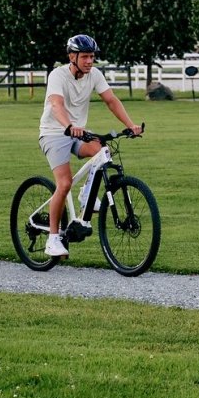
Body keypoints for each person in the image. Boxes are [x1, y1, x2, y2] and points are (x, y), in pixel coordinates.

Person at [39, 33, 142, 259]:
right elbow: (56, 105)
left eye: (92, 57)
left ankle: (86, 194)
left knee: (102, 152)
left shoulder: (94, 74)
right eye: (85, 56)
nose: (89, 61)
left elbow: (111, 100)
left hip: (79, 133)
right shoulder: (58, 75)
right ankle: (53, 239)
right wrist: (69, 125)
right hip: (54, 133)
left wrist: (131, 125)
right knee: (64, 183)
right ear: (72, 56)